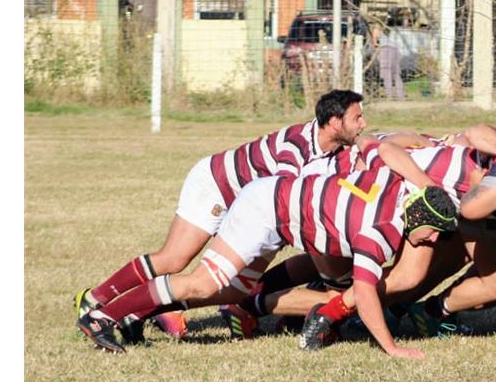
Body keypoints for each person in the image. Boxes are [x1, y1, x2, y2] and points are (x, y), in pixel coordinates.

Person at [77, 160, 458, 357]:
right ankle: (101, 317)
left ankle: (132, 315)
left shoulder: (403, 189)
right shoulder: (380, 230)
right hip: (265, 209)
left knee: (232, 293)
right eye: (435, 231)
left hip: (278, 210)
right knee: (203, 283)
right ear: (420, 217)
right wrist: (390, 347)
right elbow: (367, 293)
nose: (435, 240)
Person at [73, 89, 366, 342]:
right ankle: (95, 301)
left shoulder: (335, 148)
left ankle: (134, 313)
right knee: (174, 259)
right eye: (357, 118)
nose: (363, 124)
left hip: (255, 212)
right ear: (334, 122)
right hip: (218, 188)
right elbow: (283, 200)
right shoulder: (295, 147)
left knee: (234, 291)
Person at [373, 23, 405, 101]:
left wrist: (375, 48)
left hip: (385, 50)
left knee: (386, 74)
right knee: (396, 74)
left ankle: (389, 96)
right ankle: (401, 96)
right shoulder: (385, 35)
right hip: (395, 50)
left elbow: (374, 43)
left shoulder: (375, 30)